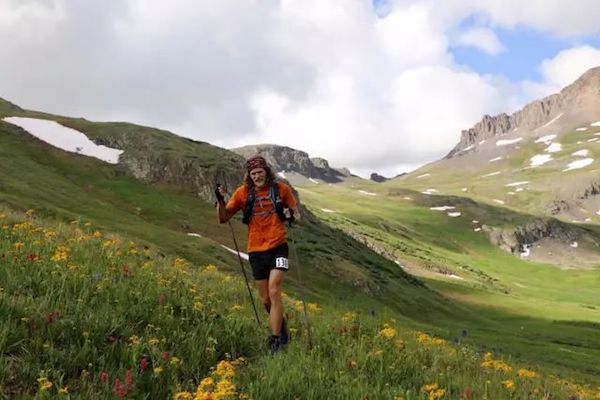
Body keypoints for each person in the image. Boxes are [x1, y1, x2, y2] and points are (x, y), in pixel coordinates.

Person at [216, 155, 301, 354]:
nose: (257, 176)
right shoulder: (242, 193)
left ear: (266, 172)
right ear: (249, 175)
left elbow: (298, 215)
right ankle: (281, 327)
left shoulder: (281, 189)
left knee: (274, 290)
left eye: (260, 172)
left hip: (279, 246)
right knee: (265, 299)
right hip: (255, 251)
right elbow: (223, 218)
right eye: (253, 174)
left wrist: (290, 215)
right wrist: (219, 200)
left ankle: (275, 342)